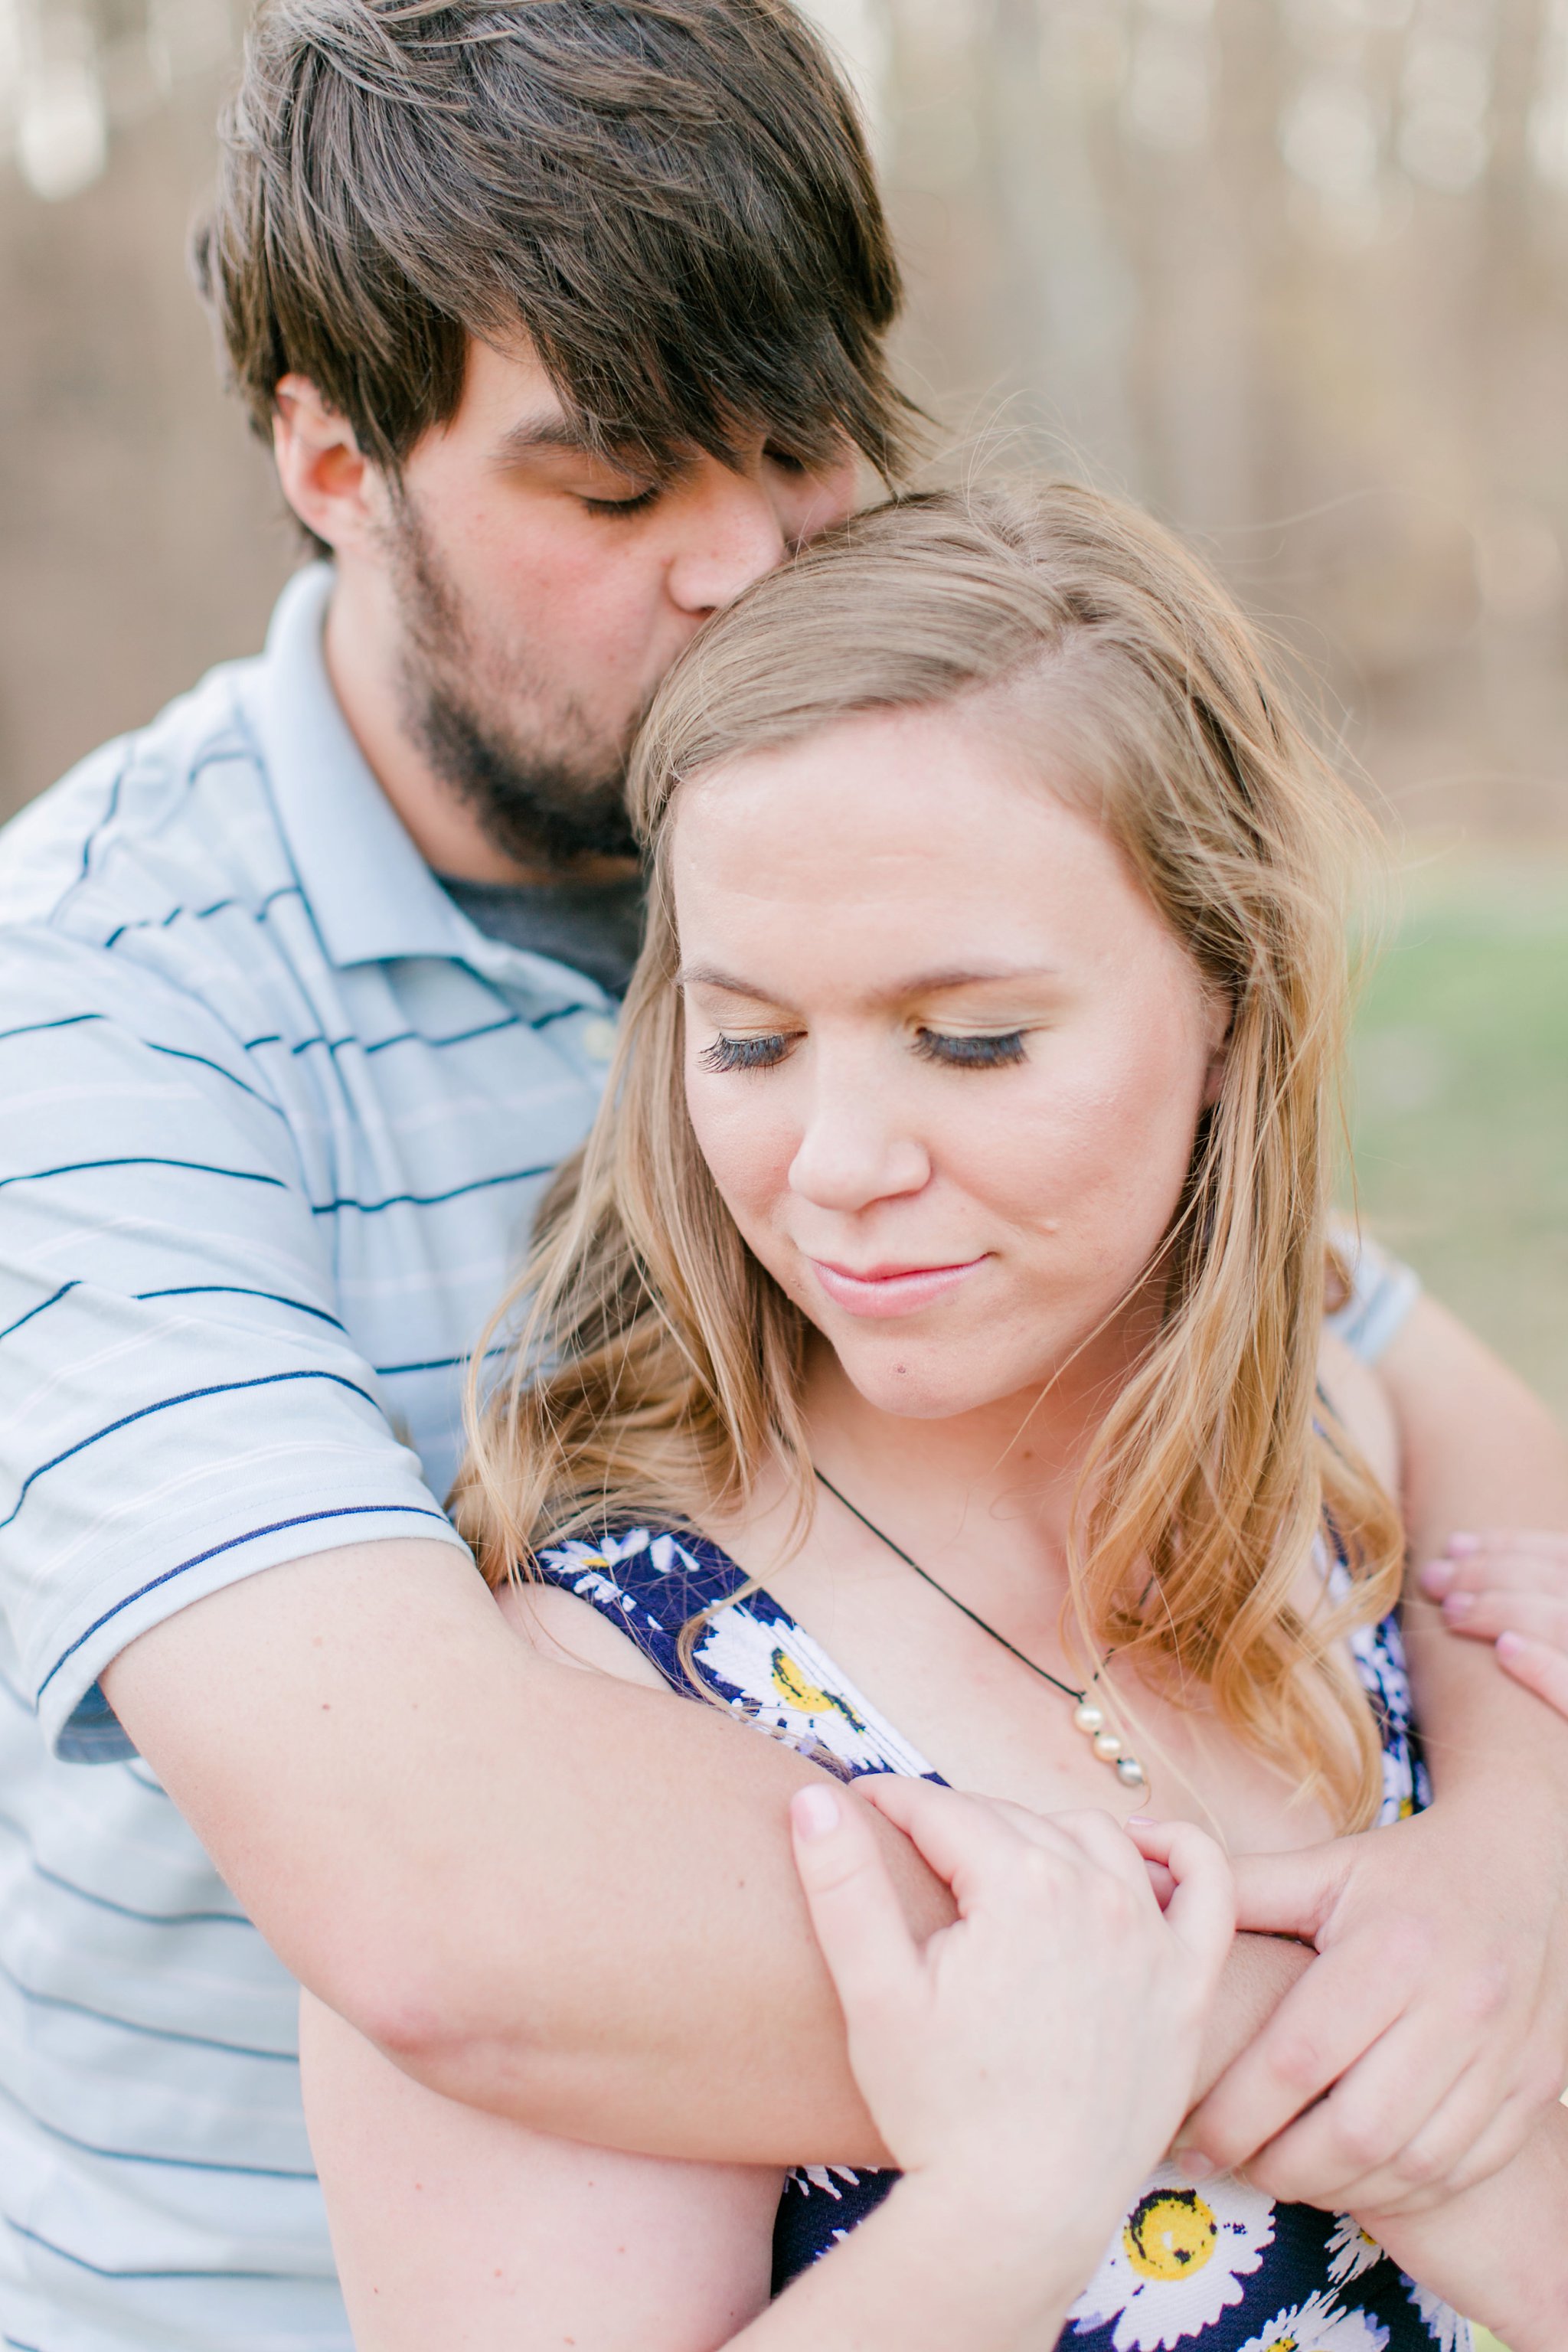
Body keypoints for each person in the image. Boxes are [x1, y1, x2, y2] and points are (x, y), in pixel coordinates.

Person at [2, 4, 1567, 2347]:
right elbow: (447, 1904)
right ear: (334, 462)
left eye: (800, 442)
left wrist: (1518, 1873)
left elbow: (1381, 1371)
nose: (745, 564)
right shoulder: (97, 1018)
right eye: (616, 493)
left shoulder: (856, 809)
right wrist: (1340, 2044)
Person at [302, 483, 1568, 2350]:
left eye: (970, 1038)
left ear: (1226, 1004)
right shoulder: (591, 1719)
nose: (837, 1165)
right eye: (748, 1042)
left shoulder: (1350, 1468)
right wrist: (999, 2212)